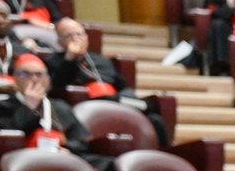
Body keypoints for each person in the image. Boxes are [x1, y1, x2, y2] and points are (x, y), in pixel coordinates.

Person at [0, 54, 123, 171]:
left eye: (39, 74)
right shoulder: (2, 106)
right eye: (25, 74)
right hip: (26, 159)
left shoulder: (60, 106)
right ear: (15, 79)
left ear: (47, 80)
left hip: (63, 155)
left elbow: (80, 139)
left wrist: (68, 150)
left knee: (110, 165)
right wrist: (29, 108)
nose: (34, 79)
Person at [48, 17, 171, 145]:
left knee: (154, 117)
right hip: (88, 103)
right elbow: (56, 87)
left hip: (117, 100)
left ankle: (166, 154)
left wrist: (125, 96)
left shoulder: (102, 60)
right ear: (60, 41)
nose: (76, 38)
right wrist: (69, 58)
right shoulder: (54, 61)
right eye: (69, 35)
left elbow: (123, 86)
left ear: (86, 37)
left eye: (79, 34)